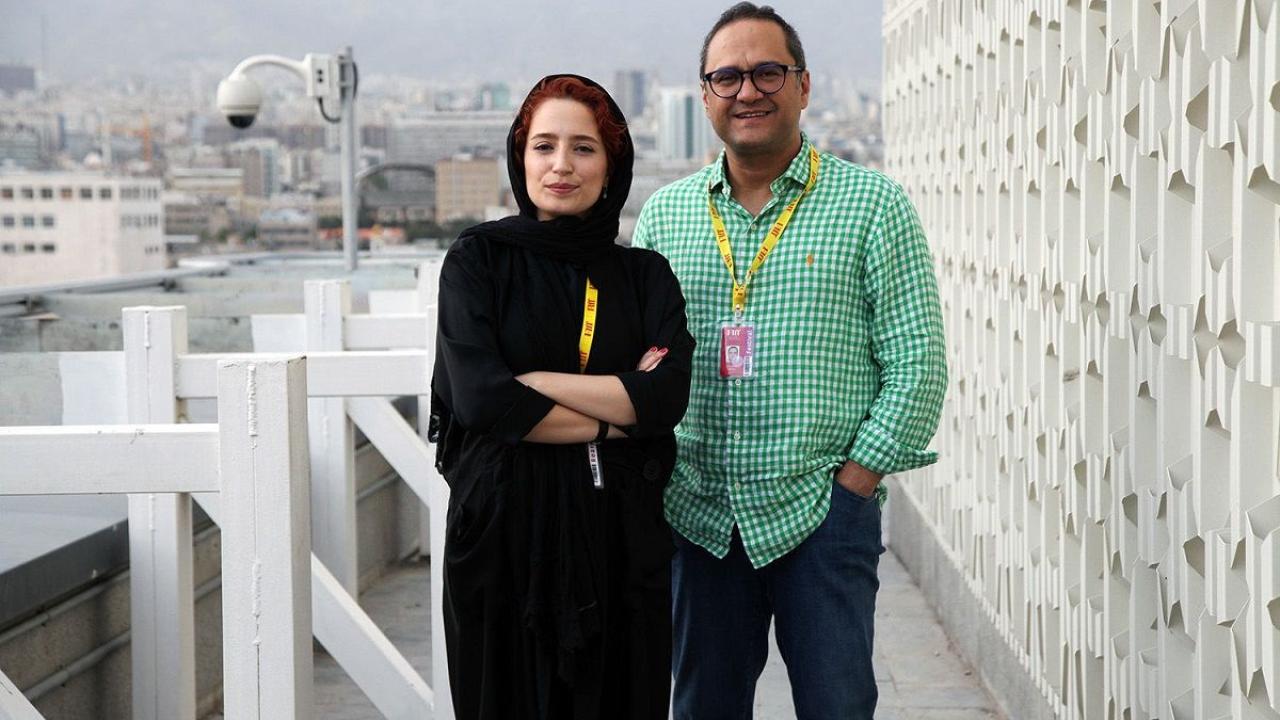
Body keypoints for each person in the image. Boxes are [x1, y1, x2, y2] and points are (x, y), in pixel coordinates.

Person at [631, 4, 948, 719]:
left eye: (767, 72)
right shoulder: (666, 216)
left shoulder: (873, 205)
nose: (748, 91)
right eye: (728, 77)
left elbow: (918, 363)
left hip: (821, 512)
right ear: (705, 95)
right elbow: (640, 364)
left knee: (837, 706)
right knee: (703, 708)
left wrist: (855, 484)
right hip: (698, 516)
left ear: (803, 85)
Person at [430, 74, 694, 720]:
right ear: (520, 158)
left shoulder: (644, 276)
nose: (561, 166)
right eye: (544, 146)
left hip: (621, 546)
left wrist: (536, 384)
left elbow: (665, 398)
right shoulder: (479, 261)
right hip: (503, 545)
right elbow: (481, 401)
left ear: (613, 164)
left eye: (584, 148)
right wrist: (615, 418)